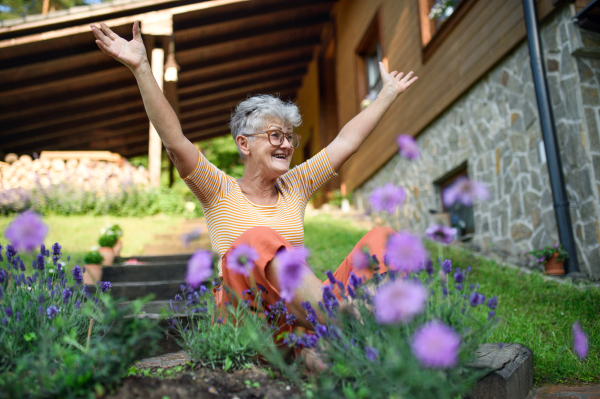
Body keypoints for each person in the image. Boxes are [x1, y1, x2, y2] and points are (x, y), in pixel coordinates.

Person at [91, 21, 418, 372]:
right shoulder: (218, 189)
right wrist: (141, 68)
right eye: (275, 135)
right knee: (258, 239)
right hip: (246, 319)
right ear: (243, 144)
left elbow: (345, 142)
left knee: (383, 239)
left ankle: (354, 336)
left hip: (303, 315)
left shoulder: (298, 184)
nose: (287, 144)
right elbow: (174, 140)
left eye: (290, 137)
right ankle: (342, 333)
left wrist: (387, 94)